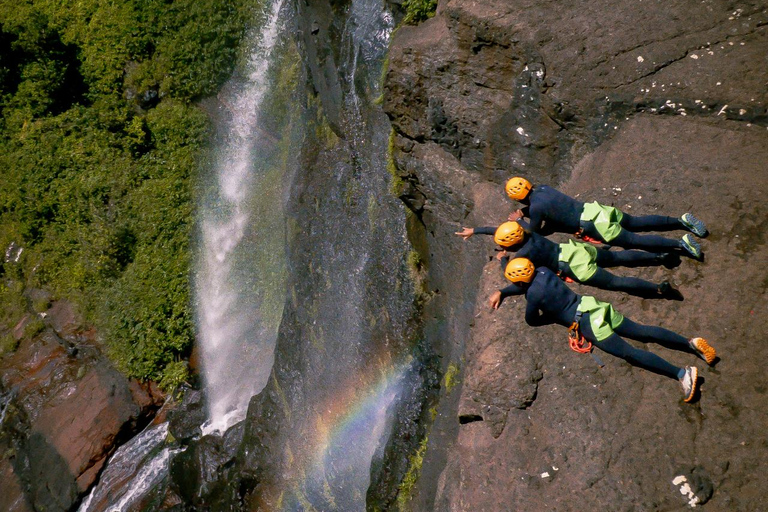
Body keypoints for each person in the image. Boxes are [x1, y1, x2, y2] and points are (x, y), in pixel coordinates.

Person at [489, 257, 717, 402]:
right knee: (641, 330)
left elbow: (532, 320)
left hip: (588, 324)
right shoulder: (542, 270)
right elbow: (523, 282)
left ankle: (681, 373)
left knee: (630, 353)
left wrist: (553, 317)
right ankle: (689, 344)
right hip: (592, 305)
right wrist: (504, 282)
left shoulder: (533, 297)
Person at [455, 221, 683, 299]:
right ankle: (659, 257)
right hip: (577, 250)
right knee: (617, 256)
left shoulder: (523, 256)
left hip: (573, 267)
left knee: (616, 282)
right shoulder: (528, 232)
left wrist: (503, 261)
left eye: (505, 245)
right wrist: (476, 230)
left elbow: (518, 280)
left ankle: (658, 289)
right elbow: (501, 230)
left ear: (511, 246)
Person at [504, 177, 707, 259]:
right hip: (596, 210)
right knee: (636, 222)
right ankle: (681, 221)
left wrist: (518, 220)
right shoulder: (544, 190)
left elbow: (536, 229)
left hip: (593, 224)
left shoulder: (537, 208)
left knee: (635, 240)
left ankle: (681, 244)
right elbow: (546, 207)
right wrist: (526, 211)